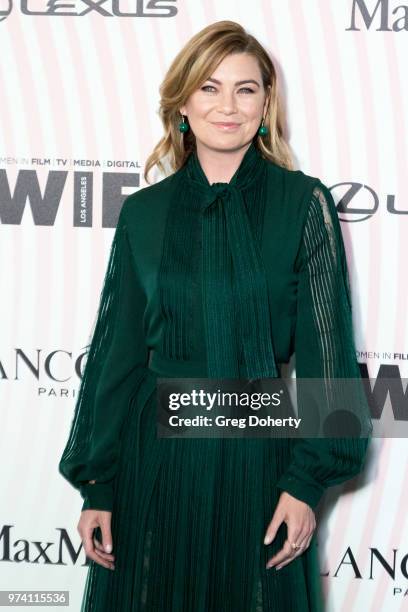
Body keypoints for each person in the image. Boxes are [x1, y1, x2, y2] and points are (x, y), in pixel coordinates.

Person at [58, 20, 372, 612]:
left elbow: (328, 356)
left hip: (258, 457)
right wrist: (97, 484)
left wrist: (304, 484)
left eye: (246, 89)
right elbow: (116, 356)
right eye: (209, 87)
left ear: (266, 103)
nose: (228, 105)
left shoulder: (304, 203)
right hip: (154, 460)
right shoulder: (144, 213)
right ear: (181, 103)